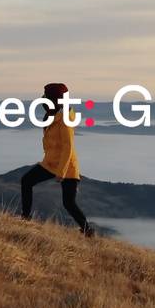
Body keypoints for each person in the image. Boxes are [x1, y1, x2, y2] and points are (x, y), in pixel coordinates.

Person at [20, 83, 94, 236]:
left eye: (46, 98)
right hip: (50, 163)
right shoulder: (53, 115)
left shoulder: (65, 119)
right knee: (26, 181)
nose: (43, 100)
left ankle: (87, 231)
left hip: (66, 166)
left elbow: (68, 147)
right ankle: (25, 218)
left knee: (69, 203)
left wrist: (61, 172)